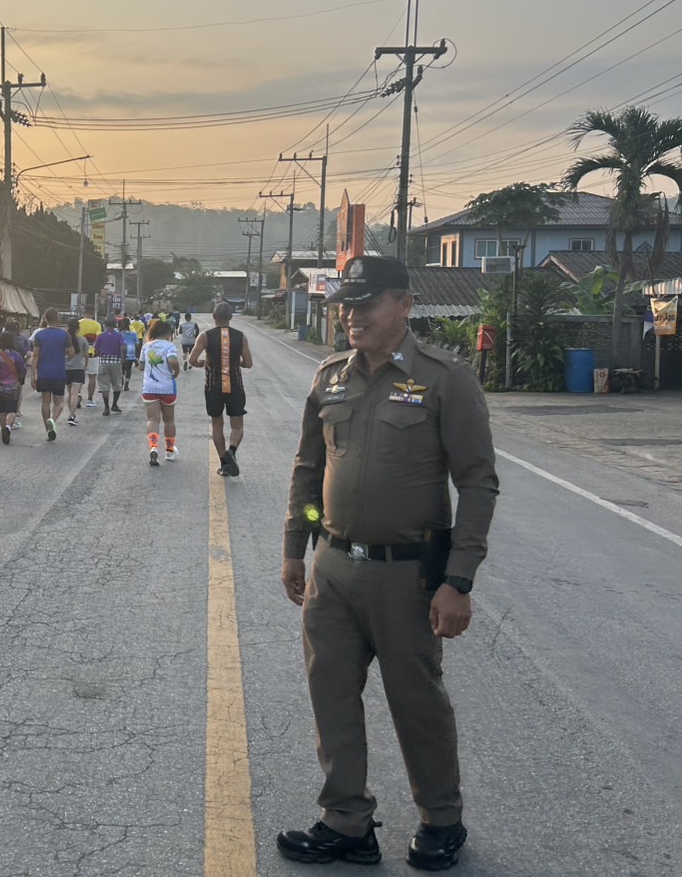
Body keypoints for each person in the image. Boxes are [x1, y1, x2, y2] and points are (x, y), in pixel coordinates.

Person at [276, 256, 499, 872]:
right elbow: (308, 470)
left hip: (407, 575)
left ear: (404, 304)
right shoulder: (330, 378)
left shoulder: (444, 380)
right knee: (332, 698)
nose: (352, 316)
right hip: (333, 568)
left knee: (417, 703)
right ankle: (346, 821)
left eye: (366, 304)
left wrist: (458, 580)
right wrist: (297, 545)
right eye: (346, 305)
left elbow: (478, 483)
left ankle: (441, 818)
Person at [189, 301, 253, 477]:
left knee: (217, 424)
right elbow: (248, 363)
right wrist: (236, 363)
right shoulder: (241, 337)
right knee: (237, 426)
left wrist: (203, 363)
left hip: (213, 387)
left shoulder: (205, 336)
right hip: (235, 386)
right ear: (231, 317)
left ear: (214, 317)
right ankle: (232, 451)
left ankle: (224, 464)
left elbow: (192, 360)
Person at [139, 320, 180, 466]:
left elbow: (141, 366)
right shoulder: (169, 346)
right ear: (168, 333)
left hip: (149, 388)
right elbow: (172, 360)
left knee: (152, 420)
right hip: (167, 388)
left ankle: (154, 447)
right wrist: (176, 371)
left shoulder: (146, 346)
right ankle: (169, 450)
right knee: (169, 420)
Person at [29, 308, 70, 441]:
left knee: (45, 402)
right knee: (59, 403)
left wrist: (33, 375)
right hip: (59, 373)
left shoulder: (39, 335)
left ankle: (48, 430)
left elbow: (35, 356)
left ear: (45, 319)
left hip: (44, 373)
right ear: (57, 318)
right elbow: (71, 352)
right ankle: (53, 419)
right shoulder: (64, 335)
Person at [0, 331, 27, 445]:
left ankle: (3, 428)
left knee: (2, 410)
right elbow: (22, 370)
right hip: (13, 387)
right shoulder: (17, 355)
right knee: (12, 410)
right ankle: (8, 427)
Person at [93, 320, 127, 415]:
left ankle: (106, 407)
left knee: (104, 385)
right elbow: (123, 347)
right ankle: (114, 404)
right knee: (117, 384)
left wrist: (98, 354)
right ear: (115, 325)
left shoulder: (100, 336)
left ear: (105, 325)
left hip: (103, 362)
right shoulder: (119, 335)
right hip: (116, 362)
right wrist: (124, 357)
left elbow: (96, 348)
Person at [64, 318, 89, 426]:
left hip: (66, 369)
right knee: (75, 394)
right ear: (78, 328)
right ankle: (71, 415)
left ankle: (71, 413)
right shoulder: (83, 340)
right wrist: (86, 365)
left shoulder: (64, 341)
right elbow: (86, 355)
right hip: (78, 369)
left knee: (69, 393)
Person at [78, 309, 103, 409]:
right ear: (93, 314)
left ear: (83, 313)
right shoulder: (97, 325)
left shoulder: (78, 323)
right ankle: (89, 399)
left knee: (78, 376)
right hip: (92, 353)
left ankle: (77, 395)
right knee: (92, 377)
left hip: (79, 354)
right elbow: (98, 338)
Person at [121, 320, 139, 392]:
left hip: (121, 351)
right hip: (131, 351)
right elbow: (137, 343)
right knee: (128, 369)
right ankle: (126, 385)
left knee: (121, 369)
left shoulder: (120, 334)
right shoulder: (133, 333)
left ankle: (121, 382)